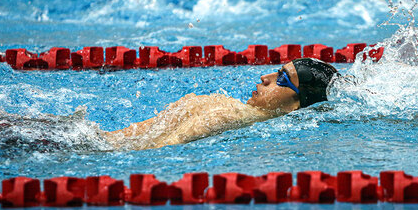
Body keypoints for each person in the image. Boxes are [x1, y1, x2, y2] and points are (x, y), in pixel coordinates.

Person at [104, 58, 338, 150]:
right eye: (277, 72)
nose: (265, 78)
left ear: (295, 105)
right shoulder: (229, 116)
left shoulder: (221, 106)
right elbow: (153, 150)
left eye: (282, 79)